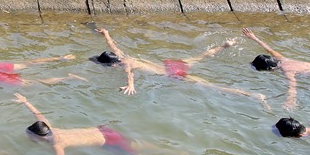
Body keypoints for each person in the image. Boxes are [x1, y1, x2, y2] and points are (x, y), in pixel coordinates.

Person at [14, 93, 182, 155]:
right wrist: (26, 102)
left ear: (42, 137)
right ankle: (163, 147)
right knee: (132, 144)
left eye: (32, 137)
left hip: (109, 141)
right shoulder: (49, 128)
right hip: (104, 130)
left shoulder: (57, 143)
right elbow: (39, 116)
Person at [94, 28, 265, 105]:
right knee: (201, 56)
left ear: (113, 64)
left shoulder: (124, 63)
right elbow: (112, 45)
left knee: (212, 86)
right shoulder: (124, 55)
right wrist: (106, 33)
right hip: (171, 64)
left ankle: (253, 95)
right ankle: (225, 45)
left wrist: (131, 85)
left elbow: (129, 73)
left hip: (172, 74)